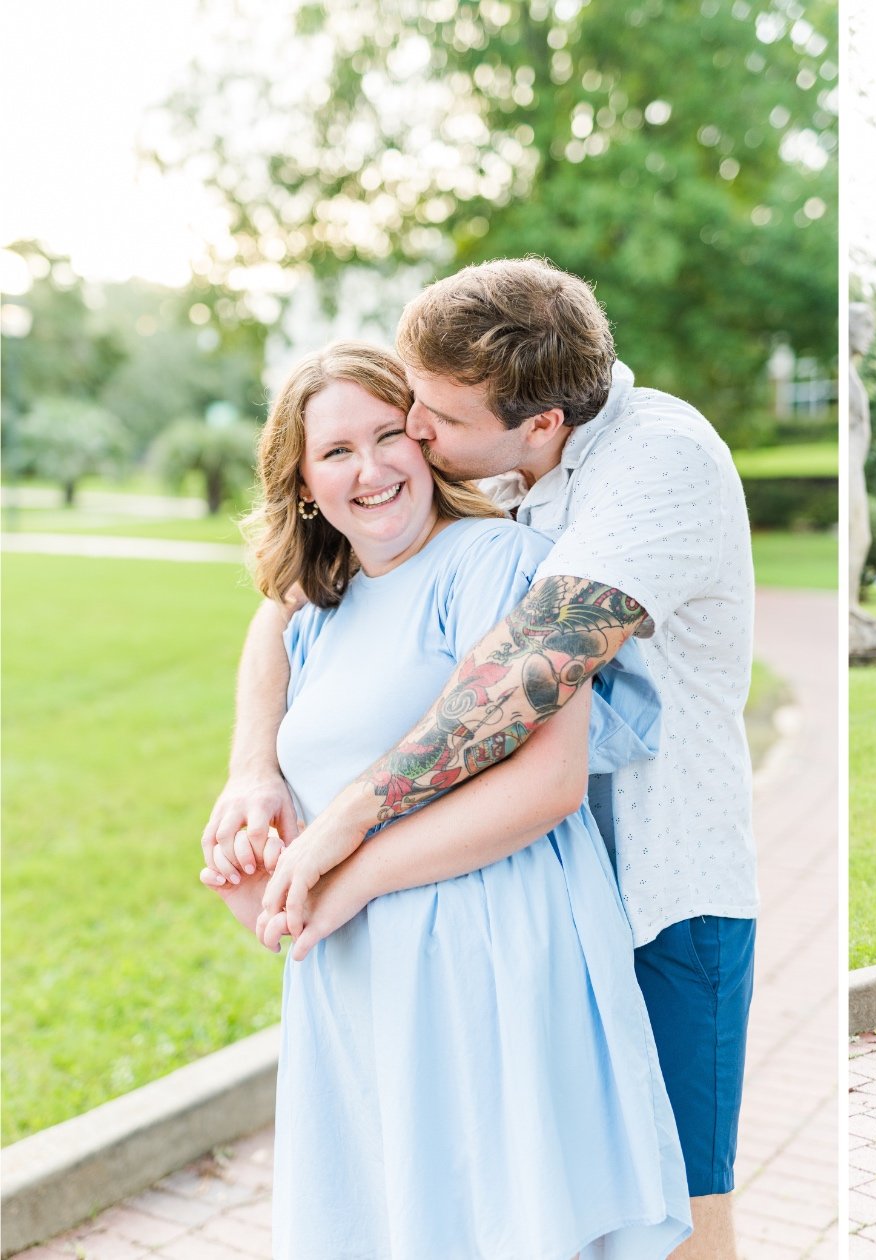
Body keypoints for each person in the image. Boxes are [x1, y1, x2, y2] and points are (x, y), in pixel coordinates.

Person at [203, 260, 757, 1257]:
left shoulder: (652, 465)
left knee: (674, 1213)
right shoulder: (507, 460)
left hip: (663, 882)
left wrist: (347, 834)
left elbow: (520, 677)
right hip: (524, 891)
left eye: (427, 420)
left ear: (538, 424)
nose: (412, 436)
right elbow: (291, 596)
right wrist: (253, 774)